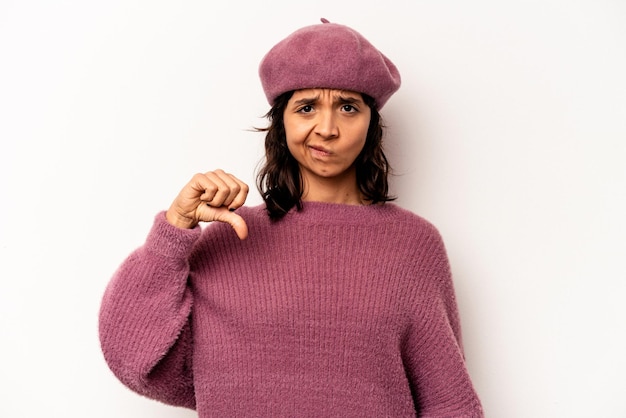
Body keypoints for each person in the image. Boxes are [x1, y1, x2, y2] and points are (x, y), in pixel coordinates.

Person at [98, 18, 484, 417]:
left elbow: (448, 403)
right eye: (307, 107)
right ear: (282, 121)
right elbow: (135, 359)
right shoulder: (228, 239)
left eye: (348, 107)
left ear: (371, 123)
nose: (327, 128)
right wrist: (174, 230)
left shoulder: (412, 245)